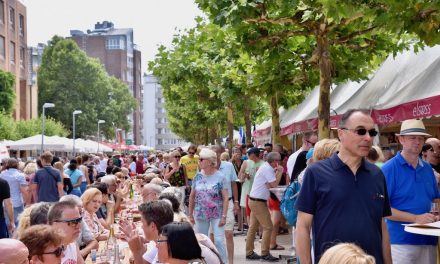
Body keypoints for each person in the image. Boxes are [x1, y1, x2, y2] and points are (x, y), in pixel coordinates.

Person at [295, 109, 392, 264]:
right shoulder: (316, 173)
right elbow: (303, 226)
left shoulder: (377, 175)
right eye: (360, 131)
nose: (368, 138)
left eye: (372, 132)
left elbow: (382, 225)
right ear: (341, 134)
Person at [382, 119, 440, 264]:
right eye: (412, 138)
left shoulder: (427, 169)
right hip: (400, 242)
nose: (417, 142)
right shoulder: (388, 169)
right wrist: (416, 218)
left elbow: (435, 199)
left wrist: (437, 214)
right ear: (401, 139)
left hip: (429, 239)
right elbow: (382, 208)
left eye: (421, 138)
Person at [189, 148, 228, 264]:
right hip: (200, 214)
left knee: (219, 241)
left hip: (217, 214)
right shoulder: (197, 177)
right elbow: (192, 196)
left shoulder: (221, 177)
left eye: (201, 159)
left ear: (210, 161)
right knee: (201, 242)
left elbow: (226, 197)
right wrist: (190, 215)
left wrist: (224, 216)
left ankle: (223, 262)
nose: (198, 161)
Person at [245, 152, 283, 261]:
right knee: (268, 227)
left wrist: (274, 177)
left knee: (253, 227)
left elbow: (271, 184)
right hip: (258, 202)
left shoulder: (266, 168)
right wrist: (279, 172)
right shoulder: (267, 169)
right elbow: (274, 185)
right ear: (275, 162)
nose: (279, 163)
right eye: (279, 160)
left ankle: (249, 252)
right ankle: (265, 253)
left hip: (254, 200)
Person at [120, 200, 174, 264]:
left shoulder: (166, 251)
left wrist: (136, 251)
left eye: (142, 222)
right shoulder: (159, 242)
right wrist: (137, 242)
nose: (142, 227)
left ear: (152, 226)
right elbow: (144, 262)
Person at [211, 145, 239, 264]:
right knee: (213, 236)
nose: (215, 155)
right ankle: (215, 260)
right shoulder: (205, 167)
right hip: (211, 204)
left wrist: (236, 202)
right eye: (213, 153)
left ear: (221, 153)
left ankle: (230, 262)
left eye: (217, 152)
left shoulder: (228, 166)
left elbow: (233, 184)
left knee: (228, 233)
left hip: (229, 202)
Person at [60, 194, 99, 259]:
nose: (80, 216)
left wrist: (79, 254)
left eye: (81, 212)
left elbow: (94, 243)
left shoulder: (80, 220)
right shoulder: (57, 228)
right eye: (79, 212)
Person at [0, 158, 29, 226]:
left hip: (4, 203)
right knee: (18, 224)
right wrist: (27, 202)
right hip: (17, 202)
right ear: (17, 165)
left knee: (7, 224)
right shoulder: (20, 175)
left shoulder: (2, 174)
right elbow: (24, 191)